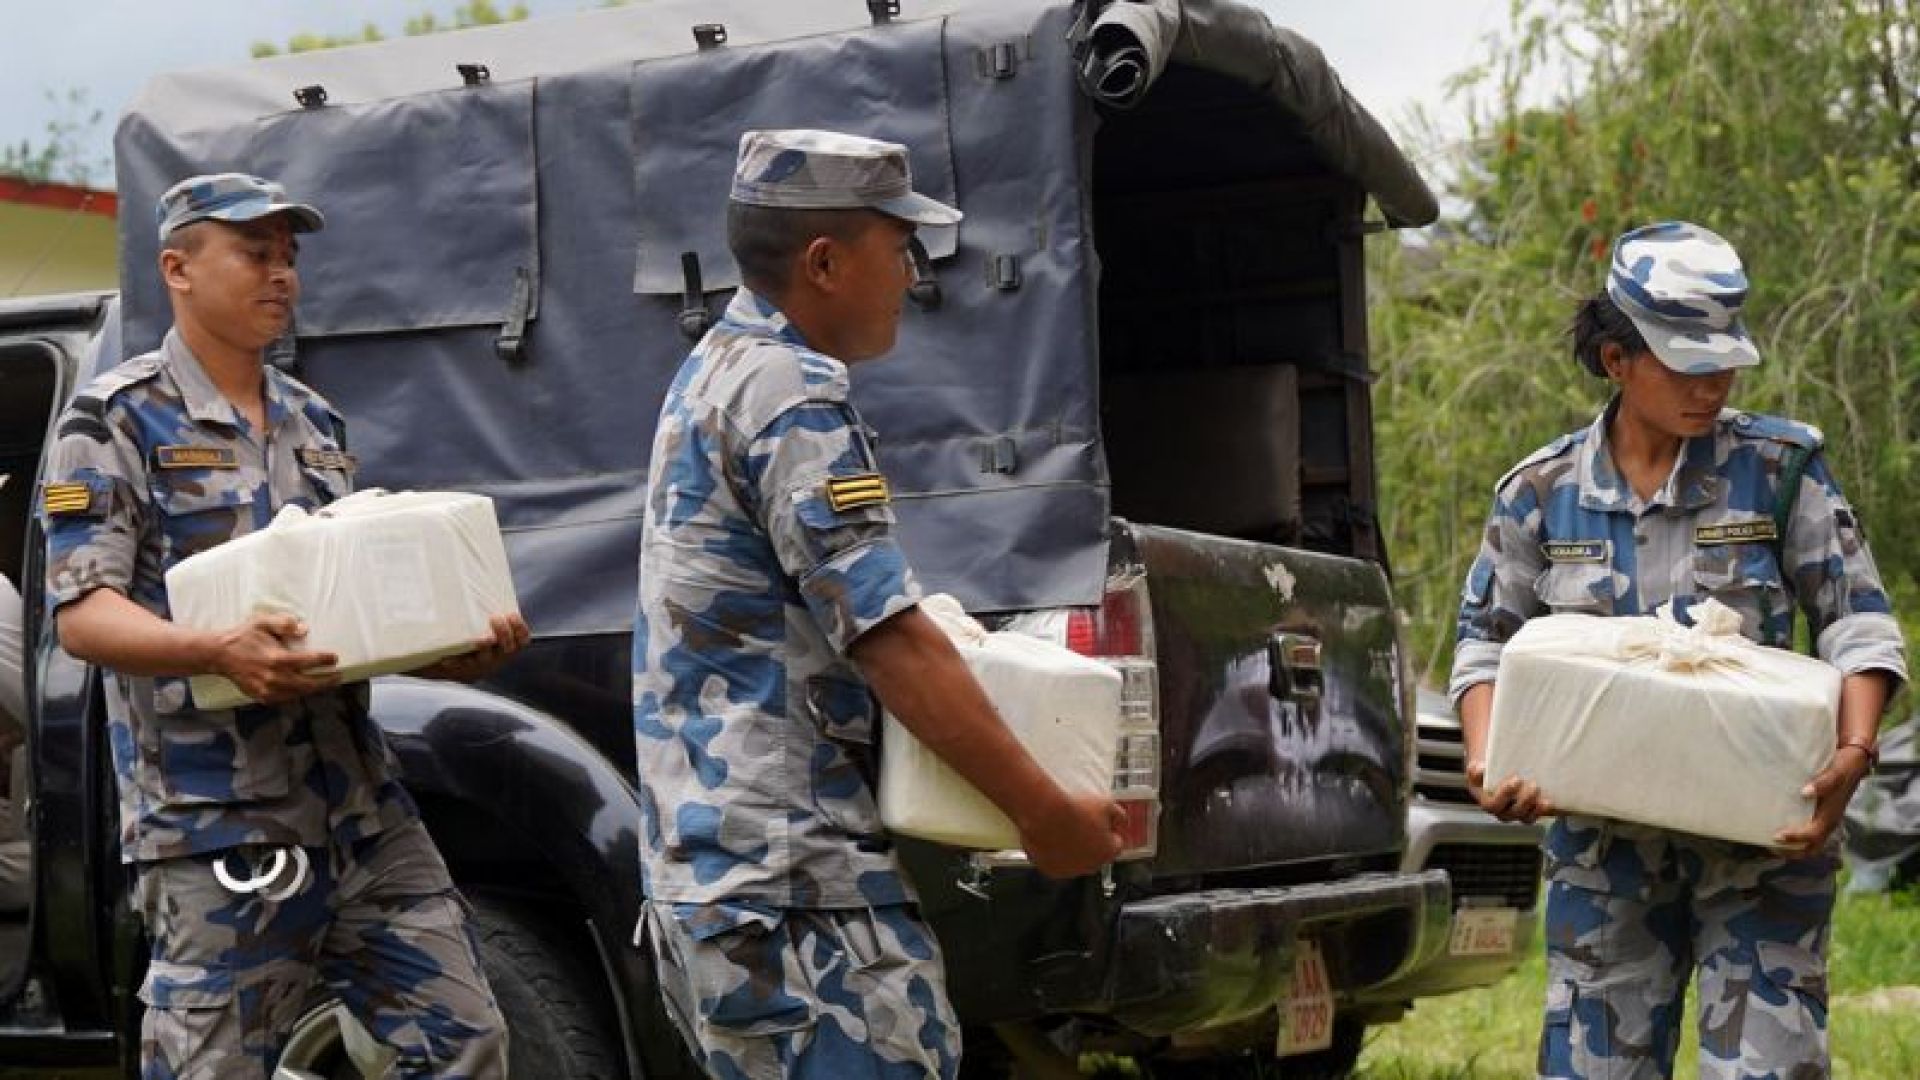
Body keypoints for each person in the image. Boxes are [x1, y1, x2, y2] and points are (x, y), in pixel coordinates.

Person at [633, 129, 1127, 1080]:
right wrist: (1044, 813)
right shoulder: (790, 392)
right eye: (897, 245)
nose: (913, 270)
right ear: (824, 262)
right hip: (793, 892)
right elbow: (889, 642)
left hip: (722, 881)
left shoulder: (717, 370)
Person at [40, 173, 530, 1079]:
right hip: (220, 825)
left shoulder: (317, 425)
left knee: (466, 1042)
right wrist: (215, 648)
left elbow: (359, 610)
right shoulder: (112, 421)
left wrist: (454, 651)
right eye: (255, 254)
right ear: (177, 269)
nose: (281, 276)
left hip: (361, 811)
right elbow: (84, 616)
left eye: (290, 258)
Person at [1452, 221, 1908, 1080]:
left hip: (1765, 841)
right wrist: (1487, 764)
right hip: (1604, 854)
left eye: (1724, 360)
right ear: (1616, 360)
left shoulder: (1779, 469)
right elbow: (1485, 646)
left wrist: (1852, 753)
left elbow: (1859, 624)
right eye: (1686, 362)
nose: (1714, 382)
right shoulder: (1540, 496)